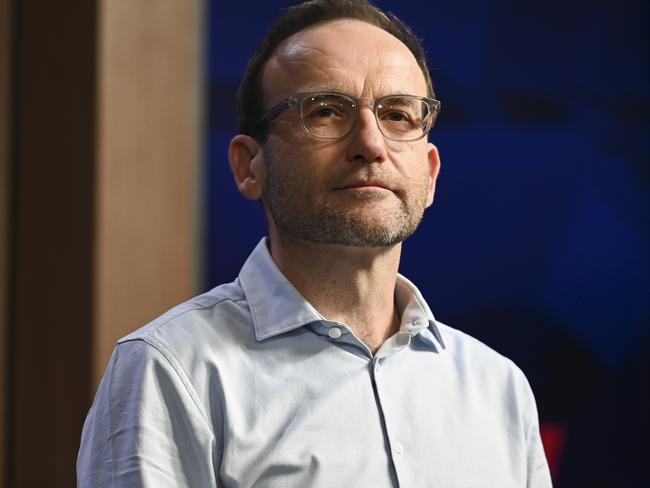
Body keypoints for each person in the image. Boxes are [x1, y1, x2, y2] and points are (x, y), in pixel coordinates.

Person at [77, 0, 552, 486]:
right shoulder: (171, 371)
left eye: (398, 115)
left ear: (429, 175)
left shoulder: (500, 389)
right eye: (324, 111)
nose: (370, 143)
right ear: (248, 166)